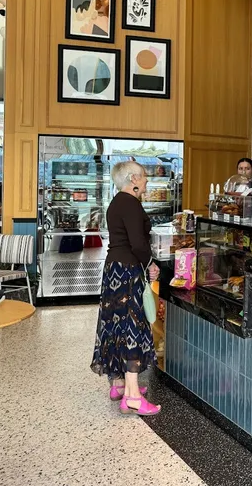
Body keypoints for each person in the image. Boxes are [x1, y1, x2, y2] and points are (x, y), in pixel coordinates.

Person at [90, 160, 160, 416]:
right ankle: (132, 396)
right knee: (132, 325)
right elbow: (138, 243)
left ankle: (119, 383)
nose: (146, 181)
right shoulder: (130, 203)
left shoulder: (117, 201)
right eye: (143, 177)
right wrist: (150, 264)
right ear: (133, 179)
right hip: (129, 270)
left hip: (114, 270)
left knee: (116, 324)